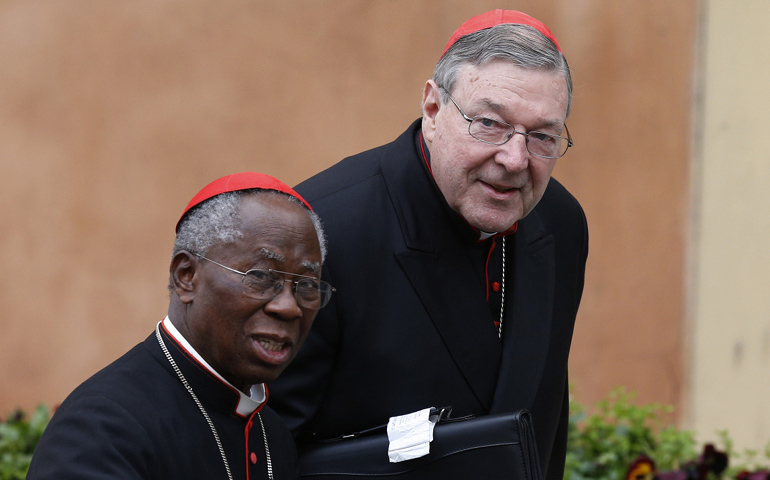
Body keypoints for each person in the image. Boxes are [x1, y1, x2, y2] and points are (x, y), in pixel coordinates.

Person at [268, 9, 588, 480]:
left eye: (542, 136)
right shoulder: (320, 231)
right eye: (489, 124)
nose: (515, 159)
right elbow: (264, 446)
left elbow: (544, 425)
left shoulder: (560, 222)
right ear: (434, 110)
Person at [27, 172, 334, 480]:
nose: (289, 307)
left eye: (306, 285)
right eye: (261, 276)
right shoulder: (101, 426)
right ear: (186, 276)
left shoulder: (273, 435)